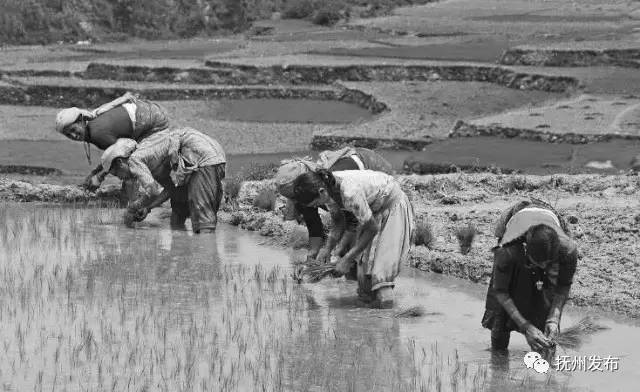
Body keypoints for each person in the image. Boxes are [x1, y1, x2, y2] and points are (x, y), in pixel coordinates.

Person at [291, 169, 415, 308]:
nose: (315, 207)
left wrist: (347, 259)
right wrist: (327, 249)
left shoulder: (349, 192)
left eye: (314, 203)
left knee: (380, 277)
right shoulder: (328, 189)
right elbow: (338, 221)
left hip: (391, 208)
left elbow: (372, 228)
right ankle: (368, 320)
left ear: (321, 192)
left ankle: (386, 320)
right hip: (370, 213)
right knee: (364, 282)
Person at [481, 199, 578, 354]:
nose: (543, 268)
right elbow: (500, 291)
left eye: (548, 263)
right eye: (539, 263)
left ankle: (547, 366)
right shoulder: (508, 249)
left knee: (547, 309)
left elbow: (563, 285)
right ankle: (499, 359)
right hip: (516, 226)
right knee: (501, 317)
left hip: (547, 222)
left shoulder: (567, 250)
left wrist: (554, 317)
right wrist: (526, 327)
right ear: (525, 250)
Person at [275, 147, 393, 262]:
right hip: (352, 194)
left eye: (295, 197)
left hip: (373, 167)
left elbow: (351, 221)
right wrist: (312, 255)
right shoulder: (303, 194)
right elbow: (314, 223)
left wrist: (338, 253)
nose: (297, 201)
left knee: (364, 238)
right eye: (292, 198)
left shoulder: (331, 180)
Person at [97, 127, 226, 233]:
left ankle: (207, 257)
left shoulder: (134, 159)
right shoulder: (150, 156)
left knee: (203, 224)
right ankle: (180, 250)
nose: (120, 178)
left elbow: (152, 191)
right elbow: (170, 189)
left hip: (201, 157)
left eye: (117, 173)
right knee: (178, 209)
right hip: (209, 154)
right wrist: (148, 208)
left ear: (120, 162)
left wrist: (133, 207)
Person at [54, 92, 170, 190]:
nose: (73, 135)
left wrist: (99, 177)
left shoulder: (97, 133)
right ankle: (139, 195)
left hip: (153, 122)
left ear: (81, 121)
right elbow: (111, 155)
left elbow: (118, 155)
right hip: (146, 113)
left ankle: (152, 194)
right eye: (68, 134)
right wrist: (94, 173)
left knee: (131, 164)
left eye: (74, 129)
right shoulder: (91, 123)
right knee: (125, 164)